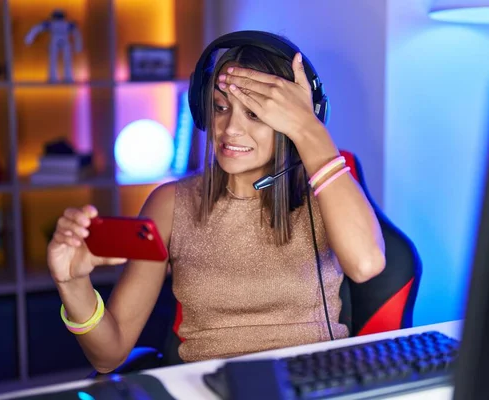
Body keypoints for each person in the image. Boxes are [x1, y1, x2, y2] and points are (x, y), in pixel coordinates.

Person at [46, 31, 386, 373]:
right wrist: (72, 284)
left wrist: (309, 130)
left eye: (254, 113)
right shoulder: (170, 205)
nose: (230, 128)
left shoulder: (326, 193)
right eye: (220, 107)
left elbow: (366, 264)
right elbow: (109, 355)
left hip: (310, 384)